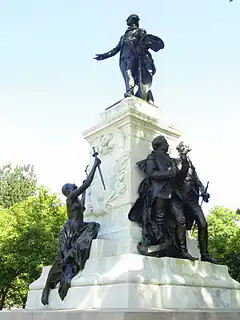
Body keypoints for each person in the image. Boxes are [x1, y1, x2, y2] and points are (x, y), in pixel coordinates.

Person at [41, 156, 101, 305]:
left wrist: (85, 191)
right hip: (69, 233)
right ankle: (47, 287)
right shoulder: (70, 199)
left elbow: (83, 200)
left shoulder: (77, 200)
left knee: (93, 226)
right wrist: (95, 164)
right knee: (60, 260)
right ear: (68, 191)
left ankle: (71, 261)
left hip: (81, 229)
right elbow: (87, 184)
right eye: (72, 186)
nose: (75, 186)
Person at [129, 135, 197, 261]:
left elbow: (180, 177)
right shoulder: (152, 157)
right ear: (159, 145)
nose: (168, 145)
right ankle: (160, 243)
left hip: (172, 192)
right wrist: (168, 173)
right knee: (159, 219)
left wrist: (184, 159)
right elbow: (150, 173)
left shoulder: (170, 160)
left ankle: (183, 251)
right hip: (159, 192)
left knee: (181, 219)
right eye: (166, 143)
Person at [94, 14, 164, 104]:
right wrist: (104, 56)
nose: (126, 21)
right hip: (123, 59)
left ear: (133, 20)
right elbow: (116, 49)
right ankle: (141, 94)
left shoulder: (140, 31)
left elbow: (144, 41)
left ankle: (130, 92)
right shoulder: (123, 37)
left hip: (133, 57)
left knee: (129, 73)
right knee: (127, 77)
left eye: (128, 20)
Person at [176, 142, 217, 263]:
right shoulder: (176, 162)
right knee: (181, 223)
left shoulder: (191, 163)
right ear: (180, 150)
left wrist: (203, 191)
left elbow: (197, 180)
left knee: (203, 224)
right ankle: (183, 251)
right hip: (181, 199)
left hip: (193, 199)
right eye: (183, 148)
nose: (186, 150)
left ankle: (204, 254)